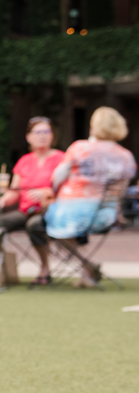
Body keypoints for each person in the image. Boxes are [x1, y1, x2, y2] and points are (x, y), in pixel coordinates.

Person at [45, 106, 137, 288]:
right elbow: (123, 187)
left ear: (94, 127)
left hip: (69, 215)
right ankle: (87, 271)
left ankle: (87, 263)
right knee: (70, 227)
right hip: (106, 216)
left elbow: (56, 179)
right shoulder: (126, 156)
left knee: (46, 223)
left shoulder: (80, 148)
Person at [0, 117, 64, 286]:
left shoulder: (61, 158)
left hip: (48, 210)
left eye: (46, 132)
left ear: (52, 135)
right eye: (38, 132)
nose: (42, 136)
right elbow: (14, 192)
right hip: (25, 210)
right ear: (29, 137)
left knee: (34, 225)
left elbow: (67, 189)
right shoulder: (24, 161)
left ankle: (45, 268)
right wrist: (0, 201)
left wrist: (47, 192)